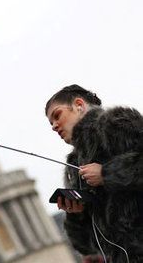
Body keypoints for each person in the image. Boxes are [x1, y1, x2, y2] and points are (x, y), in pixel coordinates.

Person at [45, 84, 143, 262]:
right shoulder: (74, 166)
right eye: (50, 123)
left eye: (57, 115)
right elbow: (88, 246)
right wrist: (76, 215)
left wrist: (106, 174)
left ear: (79, 105)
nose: (54, 125)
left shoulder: (117, 122)